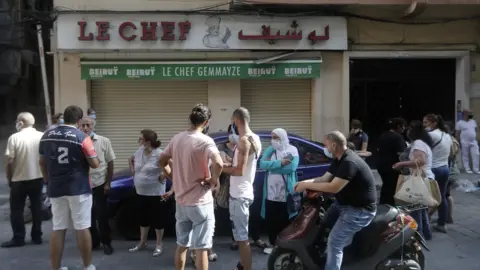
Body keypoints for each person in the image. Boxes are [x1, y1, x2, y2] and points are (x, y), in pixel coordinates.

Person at [294, 131, 377, 270]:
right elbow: (323, 179)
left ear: (333, 145)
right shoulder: (339, 159)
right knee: (323, 224)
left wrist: (306, 185)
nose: (324, 148)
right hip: (343, 204)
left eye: (325, 145)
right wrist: (302, 183)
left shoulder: (349, 162)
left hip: (359, 210)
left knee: (334, 242)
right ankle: (324, 257)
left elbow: (333, 187)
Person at [159, 103, 223, 270]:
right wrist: (213, 179)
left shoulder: (177, 138)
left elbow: (162, 161)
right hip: (201, 202)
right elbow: (218, 162)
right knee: (201, 248)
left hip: (181, 202)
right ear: (206, 122)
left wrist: (174, 178)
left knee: (182, 245)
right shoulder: (206, 141)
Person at [39, 105, 100, 270]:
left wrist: (47, 180)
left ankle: (56, 267)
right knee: (82, 226)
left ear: (64, 118)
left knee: (58, 227)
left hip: (56, 188)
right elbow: (94, 163)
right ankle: (87, 266)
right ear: (79, 121)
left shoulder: (47, 135)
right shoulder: (82, 137)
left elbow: (42, 162)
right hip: (79, 187)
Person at [222, 107, 262, 270]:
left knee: (242, 238)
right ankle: (242, 265)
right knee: (241, 235)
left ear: (236, 120)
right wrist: (228, 163)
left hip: (240, 195)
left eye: (232, 120)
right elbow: (242, 165)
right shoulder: (255, 138)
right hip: (243, 192)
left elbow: (240, 171)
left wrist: (219, 167)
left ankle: (247, 267)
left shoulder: (244, 141)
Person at [2, 112, 44, 248]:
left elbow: (9, 161)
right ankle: (37, 236)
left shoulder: (14, 138)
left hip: (19, 180)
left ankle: (18, 238)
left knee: (16, 210)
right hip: (38, 178)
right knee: (36, 207)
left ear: (20, 123)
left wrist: (9, 177)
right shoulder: (42, 136)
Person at [259, 128, 299, 255]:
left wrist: (272, 166)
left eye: (276, 137)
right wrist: (280, 163)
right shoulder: (271, 150)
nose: (273, 140)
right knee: (271, 220)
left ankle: (283, 246)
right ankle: (272, 244)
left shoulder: (292, 150)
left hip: (285, 193)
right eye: (272, 137)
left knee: (284, 220)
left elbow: (291, 168)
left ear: (282, 137)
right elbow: (262, 164)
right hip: (270, 193)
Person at [127, 129, 167, 257]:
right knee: (143, 218)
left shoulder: (159, 154)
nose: (139, 141)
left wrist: (163, 175)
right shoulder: (139, 152)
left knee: (158, 219)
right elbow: (130, 159)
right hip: (140, 191)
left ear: (148, 141)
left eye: (141, 139)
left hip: (156, 192)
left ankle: (159, 244)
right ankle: (142, 242)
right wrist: (132, 170)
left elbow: (169, 167)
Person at [393, 120, 434, 240]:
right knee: (421, 209)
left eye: (409, 128)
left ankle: (417, 236)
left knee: (415, 210)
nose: (407, 130)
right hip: (425, 178)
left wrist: (401, 164)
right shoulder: (422, 143)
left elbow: (420, 161)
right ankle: (426, 234)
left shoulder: (418, 143)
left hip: (420, 179)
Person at [80, 116, 115, 254]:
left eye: (88, 125)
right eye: (83, 125)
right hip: (83, 185)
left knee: (102, 215)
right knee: (88, 215)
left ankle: (107, 242)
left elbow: (111, 162)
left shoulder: (103, 141)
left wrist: (108, 183)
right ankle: (93, 242)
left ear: (93, 126)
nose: (86, 128)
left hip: (99, 183)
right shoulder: (77, 141)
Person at [423, 114, 452, 233]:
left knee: (425, 197)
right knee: (441, 197)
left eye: (425, 123)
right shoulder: (447, 135)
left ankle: (424, 224)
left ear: (433, 123)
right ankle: (442, 223)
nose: (423, 125)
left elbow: (422, 150)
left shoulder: (430, 135)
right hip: (444, 168)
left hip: (432, 169)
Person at [376, 118, 406, 205]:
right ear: (398, 126)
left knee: (386, 186)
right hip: (393, 166)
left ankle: (383, 204)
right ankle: (390, 207)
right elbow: (401, 154)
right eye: (403, 126)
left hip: (381, 165)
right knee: (392, 188)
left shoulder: (383, 135)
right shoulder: (398, 137)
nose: (404, 129)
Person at [455, 109, 479, 174]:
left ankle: (476, 169)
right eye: (469, 113)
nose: (471, 115)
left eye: (471, 113)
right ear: (464, 114)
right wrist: (456, 143)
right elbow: (457, 133)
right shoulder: (459, 123)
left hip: (473, 141)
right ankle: (467, 169)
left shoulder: (473, 121)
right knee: (465, 155)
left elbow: (475, 130)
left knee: (476, 154)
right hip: (464, 141)